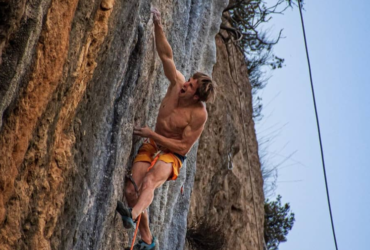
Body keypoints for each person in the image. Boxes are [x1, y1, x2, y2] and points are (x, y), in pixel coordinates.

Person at [116, 7, 216, 250]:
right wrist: (158, 26)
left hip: (173, 154)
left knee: (149, 181)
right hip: (153, 143)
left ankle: (131, 214)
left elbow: (183, 146)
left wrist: (152, 134)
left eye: (190, 86)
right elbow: (166, 56)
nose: (185, 85)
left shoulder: (198, 115)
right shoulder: (176, 84)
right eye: (189, 81)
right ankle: (148, 240)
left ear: (196, 97)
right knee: (131, 189)